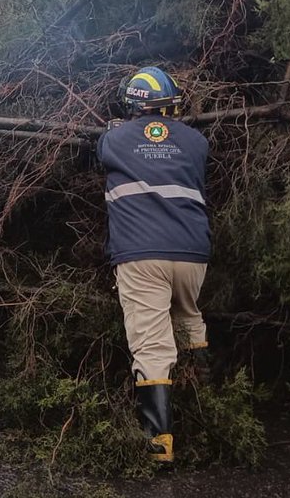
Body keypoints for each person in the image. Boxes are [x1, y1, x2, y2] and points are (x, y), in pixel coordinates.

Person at [96, 66, 210, 465]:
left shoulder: (115, 139)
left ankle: (157, 445)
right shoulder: (197, 141)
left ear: (132, 104)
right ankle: (208, 404)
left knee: (151, 345)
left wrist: (118, 130)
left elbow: (106, 150)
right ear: (171, 103)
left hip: (142, 256)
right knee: (188, 320)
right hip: (193, 254)